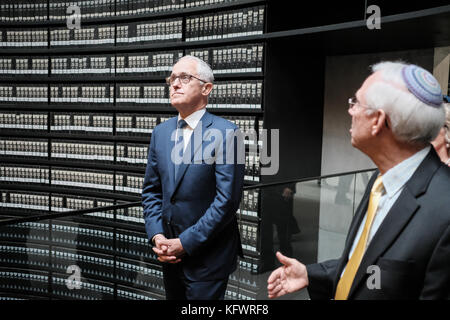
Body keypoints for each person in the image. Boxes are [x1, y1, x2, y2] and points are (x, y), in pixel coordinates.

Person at [267, 61, 450, 300]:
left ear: (378, 121)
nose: (350, 110)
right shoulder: (380, 180)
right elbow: (370, 267)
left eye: (356, 103)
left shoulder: (444, 211)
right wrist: (310, 274)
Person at [141, 55, 245, 300]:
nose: (175, 84)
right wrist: (157, 237)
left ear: (207, 88)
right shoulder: (160, 132)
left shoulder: (229, 133)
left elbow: (227, 202)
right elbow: (151, 192)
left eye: (184, 78)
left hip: (208, 258)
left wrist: (185, 243)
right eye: (172, 78)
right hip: (168, 255)